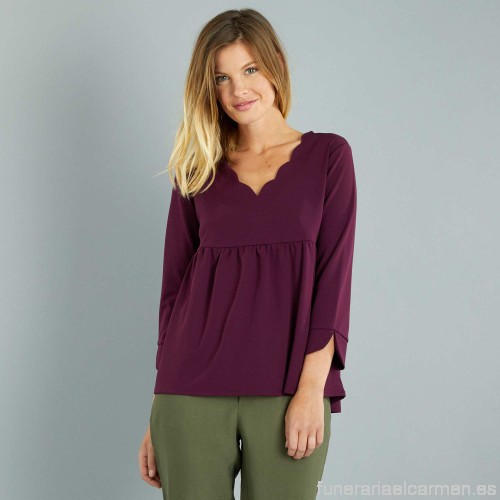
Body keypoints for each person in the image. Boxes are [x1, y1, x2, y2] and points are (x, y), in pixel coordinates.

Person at [138, 8, 357, 500]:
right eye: (222, 78)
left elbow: (333, 283)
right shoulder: (197, 169)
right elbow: (173, 293)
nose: (239, 89)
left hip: (288, 388)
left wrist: (311, 390)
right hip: (188, 390)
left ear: (275, 63)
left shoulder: (329, 157)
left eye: (250, 69)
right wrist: (158, 407)